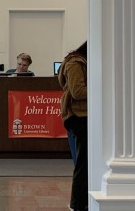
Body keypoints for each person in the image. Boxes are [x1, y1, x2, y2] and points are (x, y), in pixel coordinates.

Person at [58, 41, 88, 211]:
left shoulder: (79, 61)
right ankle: (77, 204)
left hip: (83, 116)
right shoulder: (75, 63)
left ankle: (82, 203)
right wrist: (102, 89)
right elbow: (78, 92)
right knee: (83, 164)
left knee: (84, 163)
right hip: (79, 117)